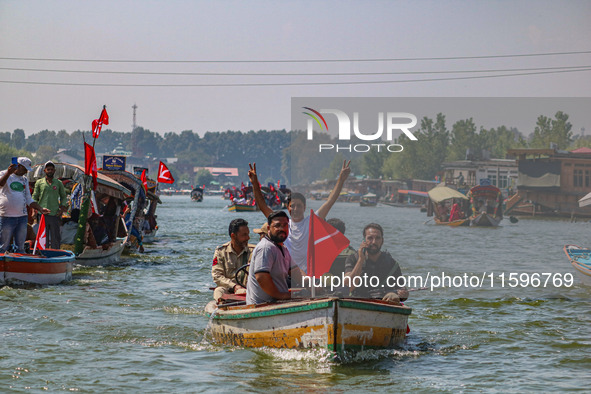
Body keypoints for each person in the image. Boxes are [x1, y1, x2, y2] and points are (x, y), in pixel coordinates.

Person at [248, 160, 351, 274]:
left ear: (305, 207)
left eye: (299, 206)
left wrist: (341, 180)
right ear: (288, 207)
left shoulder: (312, 221)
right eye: (292, 206)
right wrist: (254, 184)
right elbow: (263, 206)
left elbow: (330, 201)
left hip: (309, 275)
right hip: (288, 274)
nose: (295, 209)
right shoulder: (282, 224)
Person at [344, 223, 408, 304]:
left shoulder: (391, 263)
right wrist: (360, 260)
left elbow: (401, 288)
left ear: (382, 241)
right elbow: (348, 287)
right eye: (370, 238)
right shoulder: (353, 259)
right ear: (364, 240)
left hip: (382, 304)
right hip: (358, 303)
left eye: (377, 238)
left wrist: (403, 294)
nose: (374, 242)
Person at [0, 157, 49, 253]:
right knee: (3, 245)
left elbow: (29, 199)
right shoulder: (3, 174)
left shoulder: (24, 179)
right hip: (6, 217)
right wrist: (8, 173)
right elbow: (0, 184)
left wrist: (40, 208)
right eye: (25, 169)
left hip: (22, 217)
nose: (26, 172)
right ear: (18, 166)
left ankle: (20, 265)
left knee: (20, 246)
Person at [246, 211, 294, 305]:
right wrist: (281, 295)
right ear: (268, 228)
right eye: (277, 225)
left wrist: (314, 286)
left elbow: (296, 272)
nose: (282, 228)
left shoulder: (283, 249)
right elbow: (262, 277)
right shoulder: (265, 247)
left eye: (285, 225)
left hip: (277, 302)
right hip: (261, 305)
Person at [212, 218, 255, 303]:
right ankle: (222, 308)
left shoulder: (254, 251)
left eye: (248, 234)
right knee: (218, 291)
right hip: (228, 288)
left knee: (242, 292)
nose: (248, 238)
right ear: (233, 236)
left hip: (246, 289)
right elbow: (217, 276)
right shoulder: (221, 251)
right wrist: (234, 286)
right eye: (244, 235)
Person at [32, 161, 67, 249]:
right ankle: (44, 253)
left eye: (51, 169)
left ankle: (55, 254)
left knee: (55, 236)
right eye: (48, 169)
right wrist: (34, 211)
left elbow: (63, 196)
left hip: (55, 213)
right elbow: (34, 197)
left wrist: (62, 209)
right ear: (45, 170)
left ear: (54, 170)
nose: (50, 171)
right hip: (42, 214)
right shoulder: (39, 182)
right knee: (43, 237)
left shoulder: (58, 183)